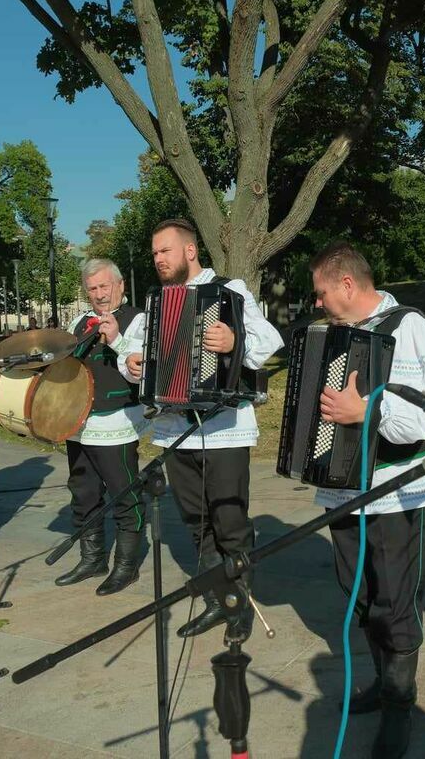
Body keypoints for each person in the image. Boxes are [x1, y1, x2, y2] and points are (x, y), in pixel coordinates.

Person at [308, 241, 425, 758]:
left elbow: (419, 420)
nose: (317, 303)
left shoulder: (408, 326)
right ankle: (381, 682)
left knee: (395, 601)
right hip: (344, 491)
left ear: (346, 284)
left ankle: (400, 704)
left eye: (321, 292)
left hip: (394, 491)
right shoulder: (337, 336)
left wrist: (360, 411)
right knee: (359, 595)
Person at [120, 219, 282, 638]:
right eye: (154, 253)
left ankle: (239, 607)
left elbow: (270, 343)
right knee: (194, 520)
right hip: (176, 428)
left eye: (165, 251)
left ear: (190, 251)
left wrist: (234, 341)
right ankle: (217, 600)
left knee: (229, 520)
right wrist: (131, 363)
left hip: (225, 426)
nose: (158, 259)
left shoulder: (231, 291)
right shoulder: (156, 302)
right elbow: (131, 351)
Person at [54, 259, 149, 595]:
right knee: (83, 492)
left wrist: (117, 339)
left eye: (104, 286)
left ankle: (126, 566)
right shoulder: (80, 320)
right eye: (92, 288)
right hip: (79, 420)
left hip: (116, 420)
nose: (98, 294)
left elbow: (140, 370)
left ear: (120, 286)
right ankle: (92, 558)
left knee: (124, 493)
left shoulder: (138, 319)